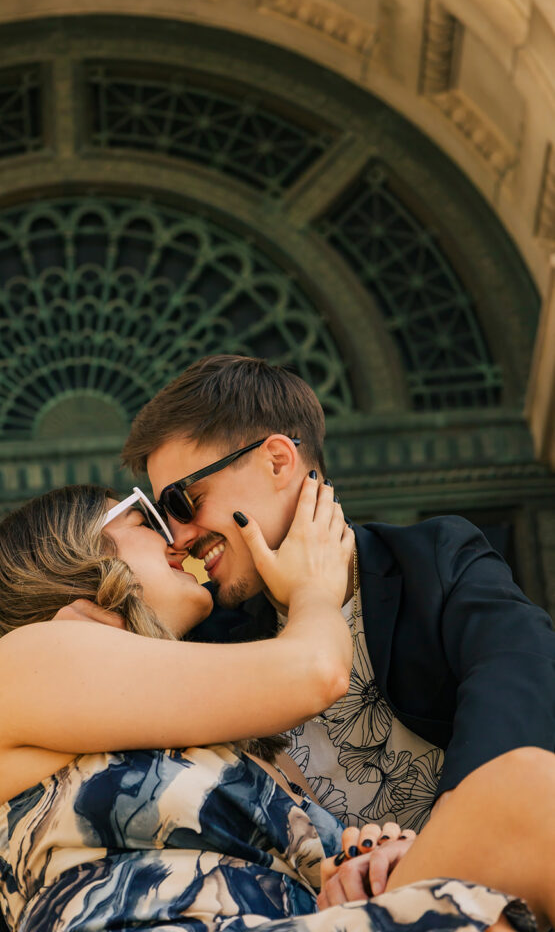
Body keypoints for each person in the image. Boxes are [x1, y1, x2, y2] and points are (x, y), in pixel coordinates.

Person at [0, 482, 555, 930]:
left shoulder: (235, 740)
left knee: (518, 806)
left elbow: (324, 877)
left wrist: (367, 857)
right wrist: (314, 591)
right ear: (76, 544)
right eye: (147, 516)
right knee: (522, 797)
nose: (174, 536)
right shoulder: (26, 661)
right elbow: (316, 672)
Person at [122, 355, 555, 833]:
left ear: (277, 461)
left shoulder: (433, 559)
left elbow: (525, 681)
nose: (178, 537)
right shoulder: (211, 640)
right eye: (166, 518)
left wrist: (441, 848)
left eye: (185, 502)